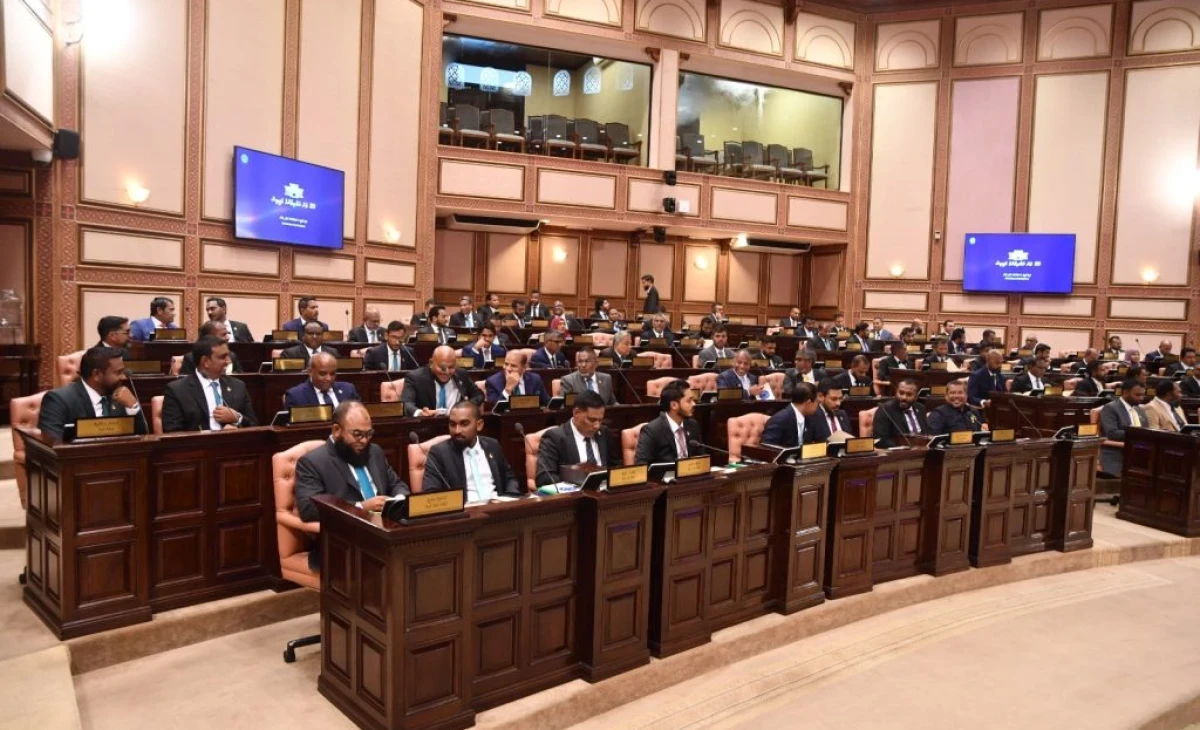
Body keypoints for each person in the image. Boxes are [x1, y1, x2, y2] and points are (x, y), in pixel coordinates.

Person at [294, 402, 409, 568]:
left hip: (387, 532)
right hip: (344, 544)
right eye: (357, 435)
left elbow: (397, 484)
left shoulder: (374, 451)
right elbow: (309, 509)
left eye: (369, 434)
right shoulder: (312, 462)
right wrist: (360, 507)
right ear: (336, 430)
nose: (364, 440)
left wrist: (397, 500)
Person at [38, 346, 146, 440]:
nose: (123, 377)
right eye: (118, 372)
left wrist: (133, 407)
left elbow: (143, 438)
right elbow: (54, 445)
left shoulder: (121, 397)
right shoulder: (58, 400)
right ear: (96, 374)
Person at [421, 401, 523, 498]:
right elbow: (431, 492)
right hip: (466, 509)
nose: (457, 431)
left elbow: (509, 478)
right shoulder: (439, 453)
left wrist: (510, 499)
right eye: (452, 424)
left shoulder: (492, 445)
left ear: (479, 425)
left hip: (497, 505)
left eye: (464, 424)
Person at [161, 336, 257, 432]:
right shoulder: (177, 390)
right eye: (223, 357)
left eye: (228, 356)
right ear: (206, 361)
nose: (228, 361)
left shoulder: (238, 386)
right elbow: (172, 432)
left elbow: (254, 426)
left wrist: (237, 418)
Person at [533, 391, 618, 485]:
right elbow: (544, 477)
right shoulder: (554, 438)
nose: (597, 426)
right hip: (574, 492)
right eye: (592, 420)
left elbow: (615, 467)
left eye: (600, 420)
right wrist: (576, 484)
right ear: (576, 413)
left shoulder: (604, 433)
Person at [634, 380, 705, 464]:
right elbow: (641, 464)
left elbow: (701, 457)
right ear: (674, 405)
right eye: (689, 401)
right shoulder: (652, 430)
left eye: (693, 400)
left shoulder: (693, 425)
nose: (694, 404)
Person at [400, 346, 484, 417]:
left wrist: (465, 407)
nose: (447, 372)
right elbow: (406, 403)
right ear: (431, 363)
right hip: (427, 425)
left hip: (457, 423)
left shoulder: (462, 375)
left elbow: (479, 395)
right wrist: (420, 413)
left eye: (451, 367)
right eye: (442, 367)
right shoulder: (415, 378)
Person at [1098, 380, 1147, 475]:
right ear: (1125, 392)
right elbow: (1112, 433)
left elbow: (1146, 431)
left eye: (1142, 395)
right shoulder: (1111, 408)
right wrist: (1137, 434)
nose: (1141, 398)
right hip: (1118, 453)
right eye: (1137, 395)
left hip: (1139, 453)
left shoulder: (1140, 410)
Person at [284, 352, 361, 409]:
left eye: (332, 374)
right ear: (310, 372)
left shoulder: (348, 389)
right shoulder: (296, 395)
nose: (328, 378)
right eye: (323, 374)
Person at [872, 379, 929, 448]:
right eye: (901, 393)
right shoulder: (885, 410)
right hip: (901, 451)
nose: (904, 397)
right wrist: (905, 447)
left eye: (909, 394)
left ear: (916, 397)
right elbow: (880, 440)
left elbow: (927, 433)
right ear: (896, 392)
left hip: (924, 449)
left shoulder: (920, 408)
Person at [762, 383, 820, 448]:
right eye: (817, 402)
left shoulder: (810, 418)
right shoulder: (780, 419)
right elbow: (768, 447)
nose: (818, 406)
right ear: (808, 402)